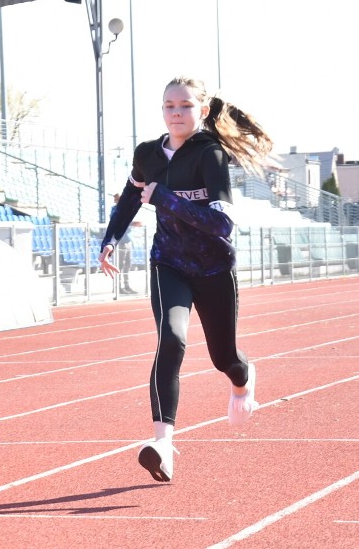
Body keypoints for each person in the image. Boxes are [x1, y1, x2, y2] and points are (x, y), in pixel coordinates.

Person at [98, 76, 272, 483]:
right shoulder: (147, 154)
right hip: (169, 263)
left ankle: (243, 383)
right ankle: (163, 445)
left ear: (203, 111)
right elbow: (130, 197)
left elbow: (220, 225)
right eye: (169, 106)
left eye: (185, 106)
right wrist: (110, 238)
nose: (176, 113)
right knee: (171, 339)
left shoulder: (209, 154)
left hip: (214, 268)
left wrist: (166, 198)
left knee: (223, 358)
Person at [108, 192, 137, 294]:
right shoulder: (115, 209)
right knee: (120, 264)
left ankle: (126, 285)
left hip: (128, 240)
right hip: (120, 241)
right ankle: (117, 287)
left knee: (128, 264)